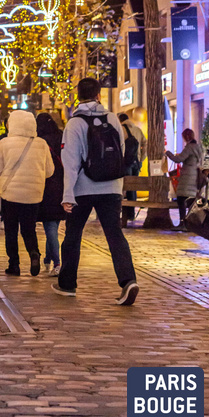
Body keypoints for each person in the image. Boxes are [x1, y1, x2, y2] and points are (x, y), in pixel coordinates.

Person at [52, 77, 139, 306]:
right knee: (115, 235)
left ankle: (67, 284)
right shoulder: (112, 118)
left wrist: (67, 195)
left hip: (82, 188)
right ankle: (128, 280)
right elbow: (119, 153)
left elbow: (70, 162)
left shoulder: (75, 123)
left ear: (77, 96)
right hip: (111, 187)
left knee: (73, 234)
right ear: (99, 95)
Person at [0, 109, 54, 277]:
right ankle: (34, 253)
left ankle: (14, 264)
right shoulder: (41, 144)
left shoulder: (4, 143)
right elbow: (49, 171)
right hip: (33, 195)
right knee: (28, 228)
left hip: (10, 194)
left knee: (11, 229)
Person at [35, 113, 65, 276]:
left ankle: (57, 262)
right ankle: (47, 258)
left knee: (50, 226)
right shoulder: (61, 136)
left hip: (45, 186)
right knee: (52, 224)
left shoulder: (39, 142)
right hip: (61, 186)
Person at [166, 129, 204, 231]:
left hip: (187, 176)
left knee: (181, 199)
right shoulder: (198, 147)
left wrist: (167, 153)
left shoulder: (189, 147)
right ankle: (189, 224)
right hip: (194, 175)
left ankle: (183, 223)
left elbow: (178, 160)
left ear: (186, 137)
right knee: (190, 201)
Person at [118, 112, 147, 227]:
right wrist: (141, 158)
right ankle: (131, 213)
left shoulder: (121, 129)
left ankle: (127, 214)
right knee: (133, 188)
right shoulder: (137, 129)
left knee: (126, 187)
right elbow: (145, 143)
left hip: (127, 162)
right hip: (136, 162)